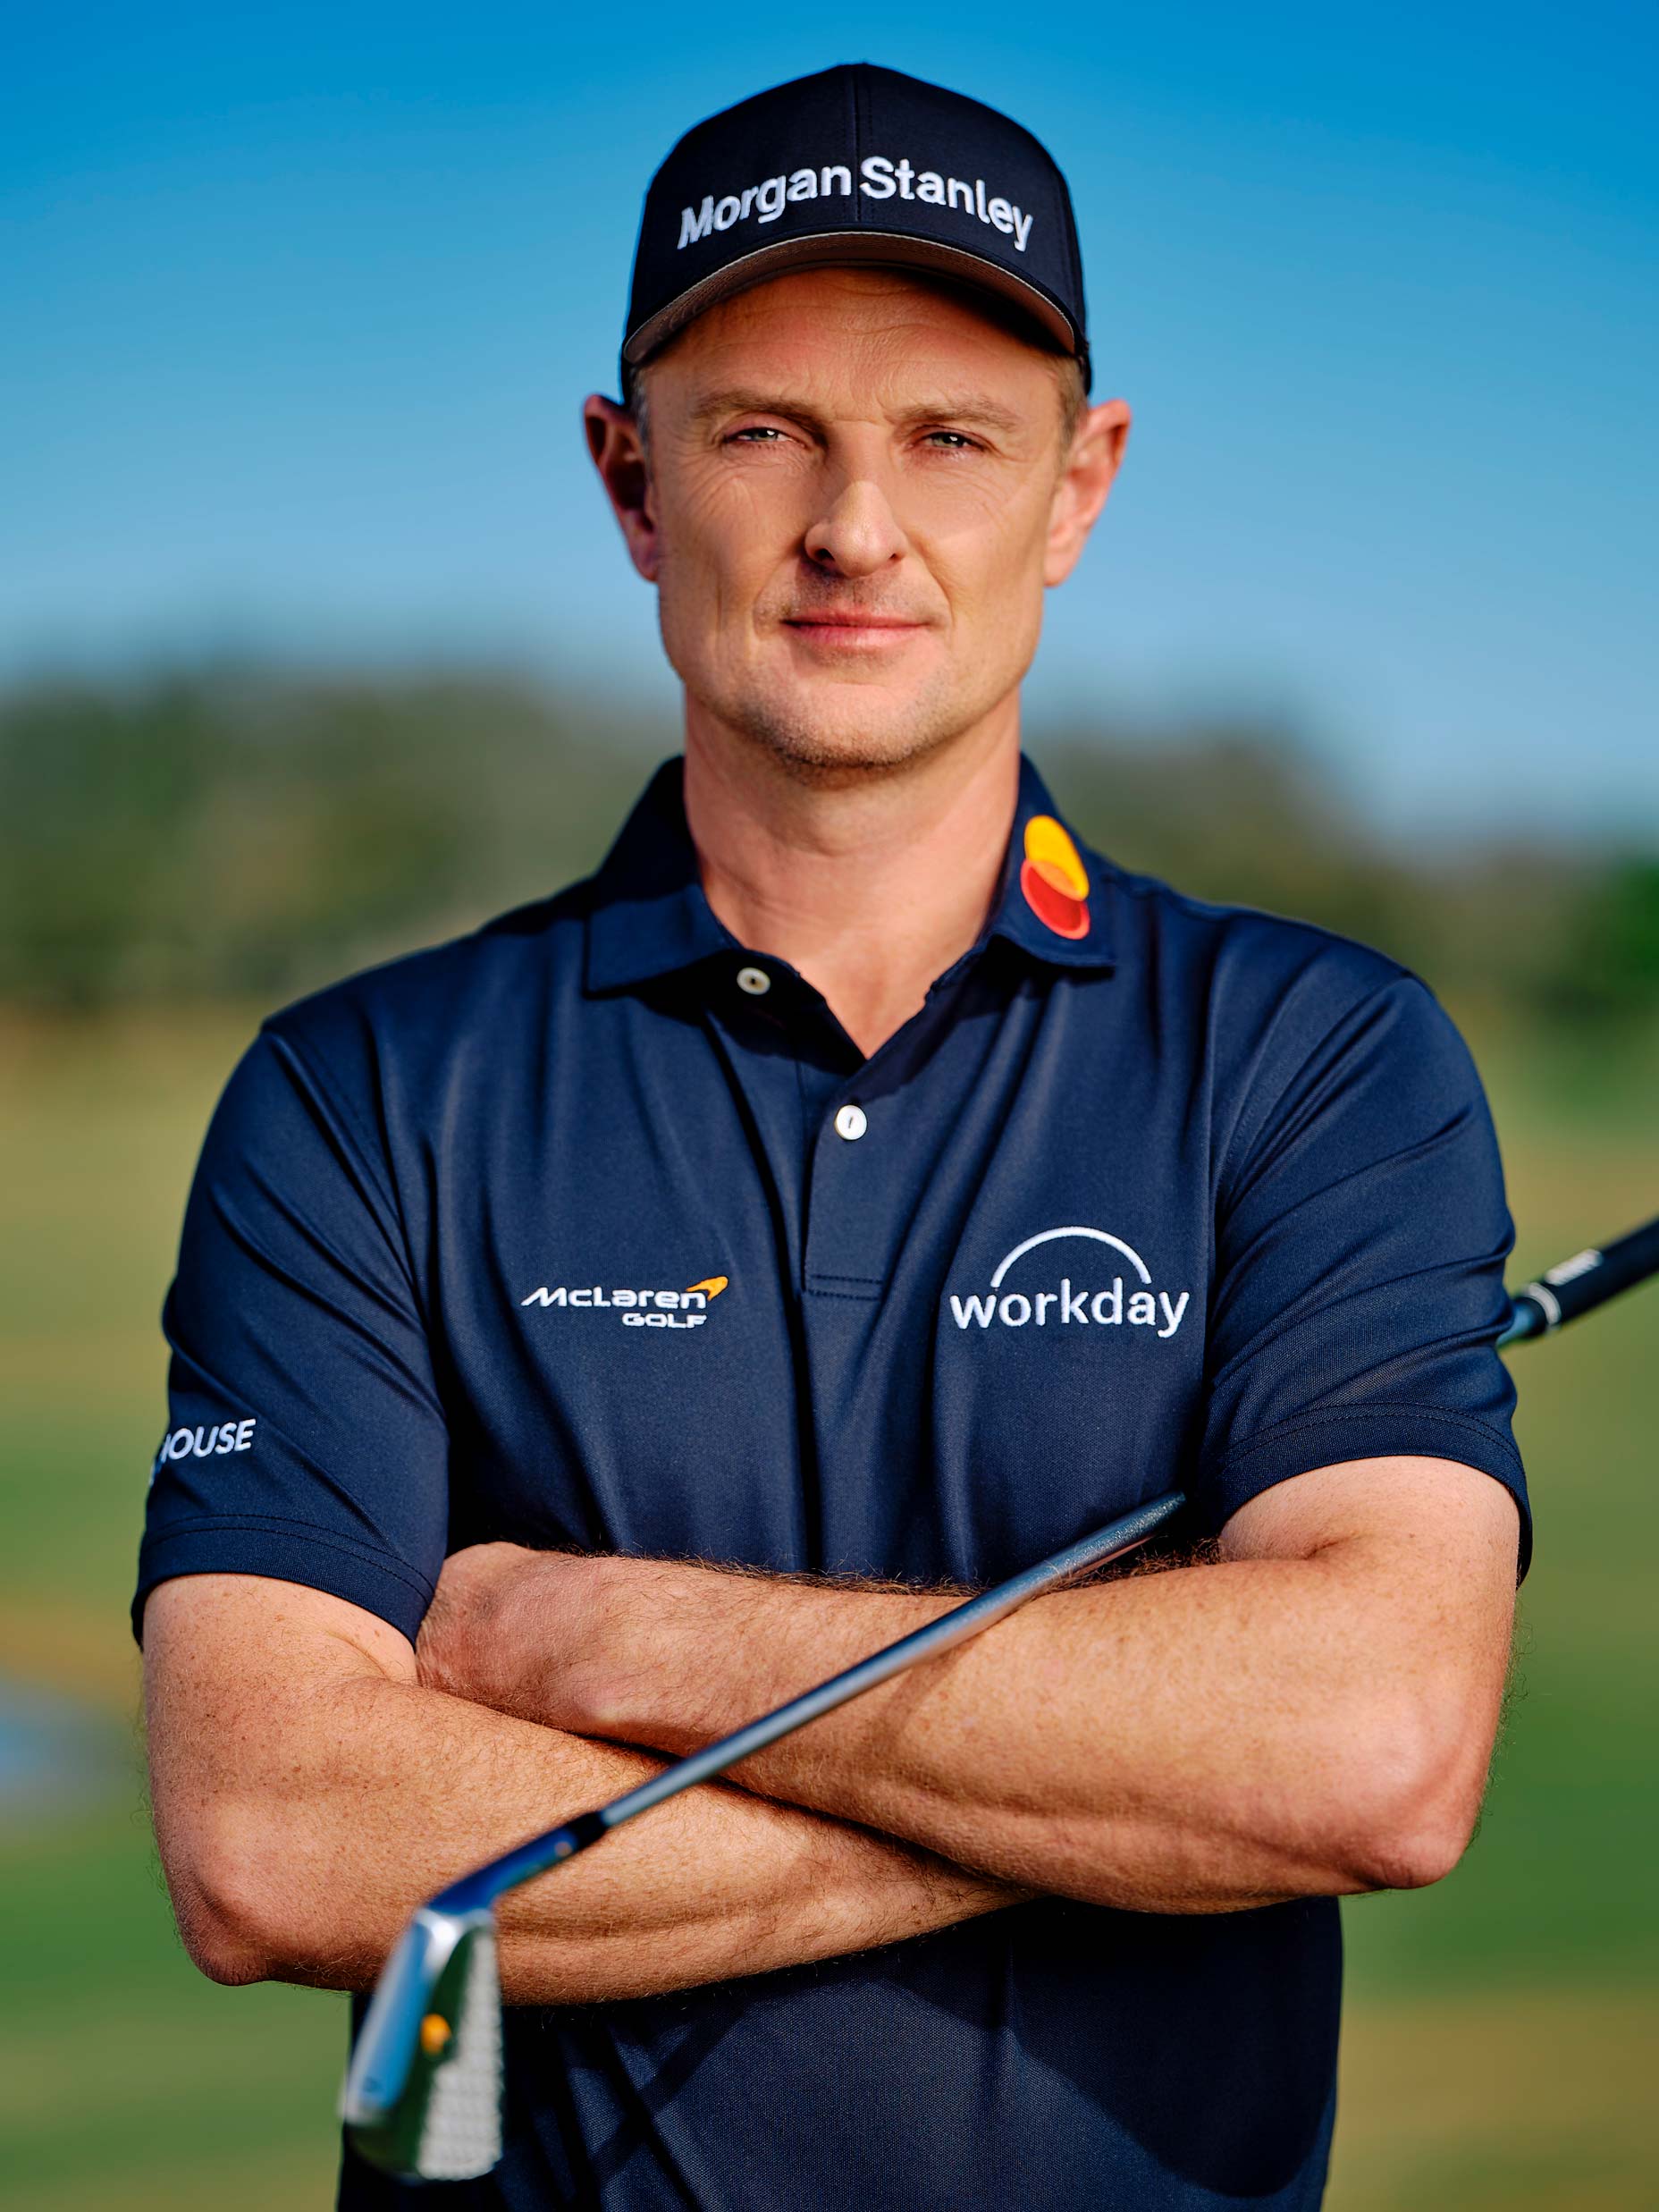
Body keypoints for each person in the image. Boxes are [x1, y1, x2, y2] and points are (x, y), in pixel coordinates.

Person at [136, 63, 1528, 2212]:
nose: (854, 528)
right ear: (629, 482)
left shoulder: (1315, 1057)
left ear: (1078, 486)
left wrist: (608, 1645)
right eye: (764, 429)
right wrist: (1119, 1774)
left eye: (951, 439)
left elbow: (1367, 1752)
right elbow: (275, 1839)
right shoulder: (360, 1095)